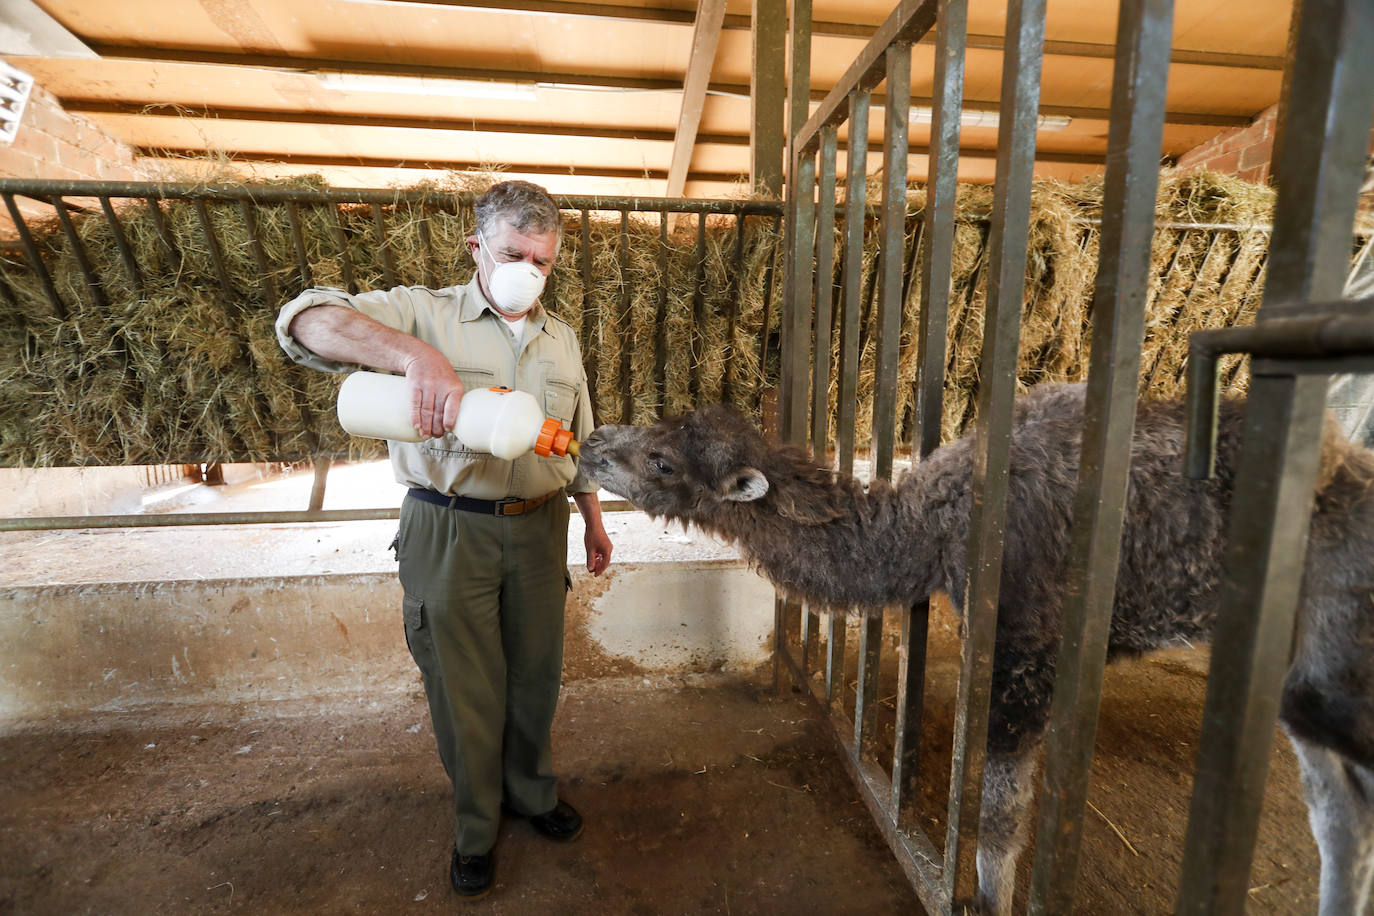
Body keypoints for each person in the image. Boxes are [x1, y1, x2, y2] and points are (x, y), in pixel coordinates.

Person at [275, 180, 613, 901]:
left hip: (540, 526)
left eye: (544, 261)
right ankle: (475, 826)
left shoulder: (562, 339)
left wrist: (592, 516)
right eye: (513, 253)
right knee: (463, 687)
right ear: (476, 248)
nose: (529, 270)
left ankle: (533, 793)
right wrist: (410, 358)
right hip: (449, 524)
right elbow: (306, 320)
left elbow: (574, 438)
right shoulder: (421, 314)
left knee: (535, 676)